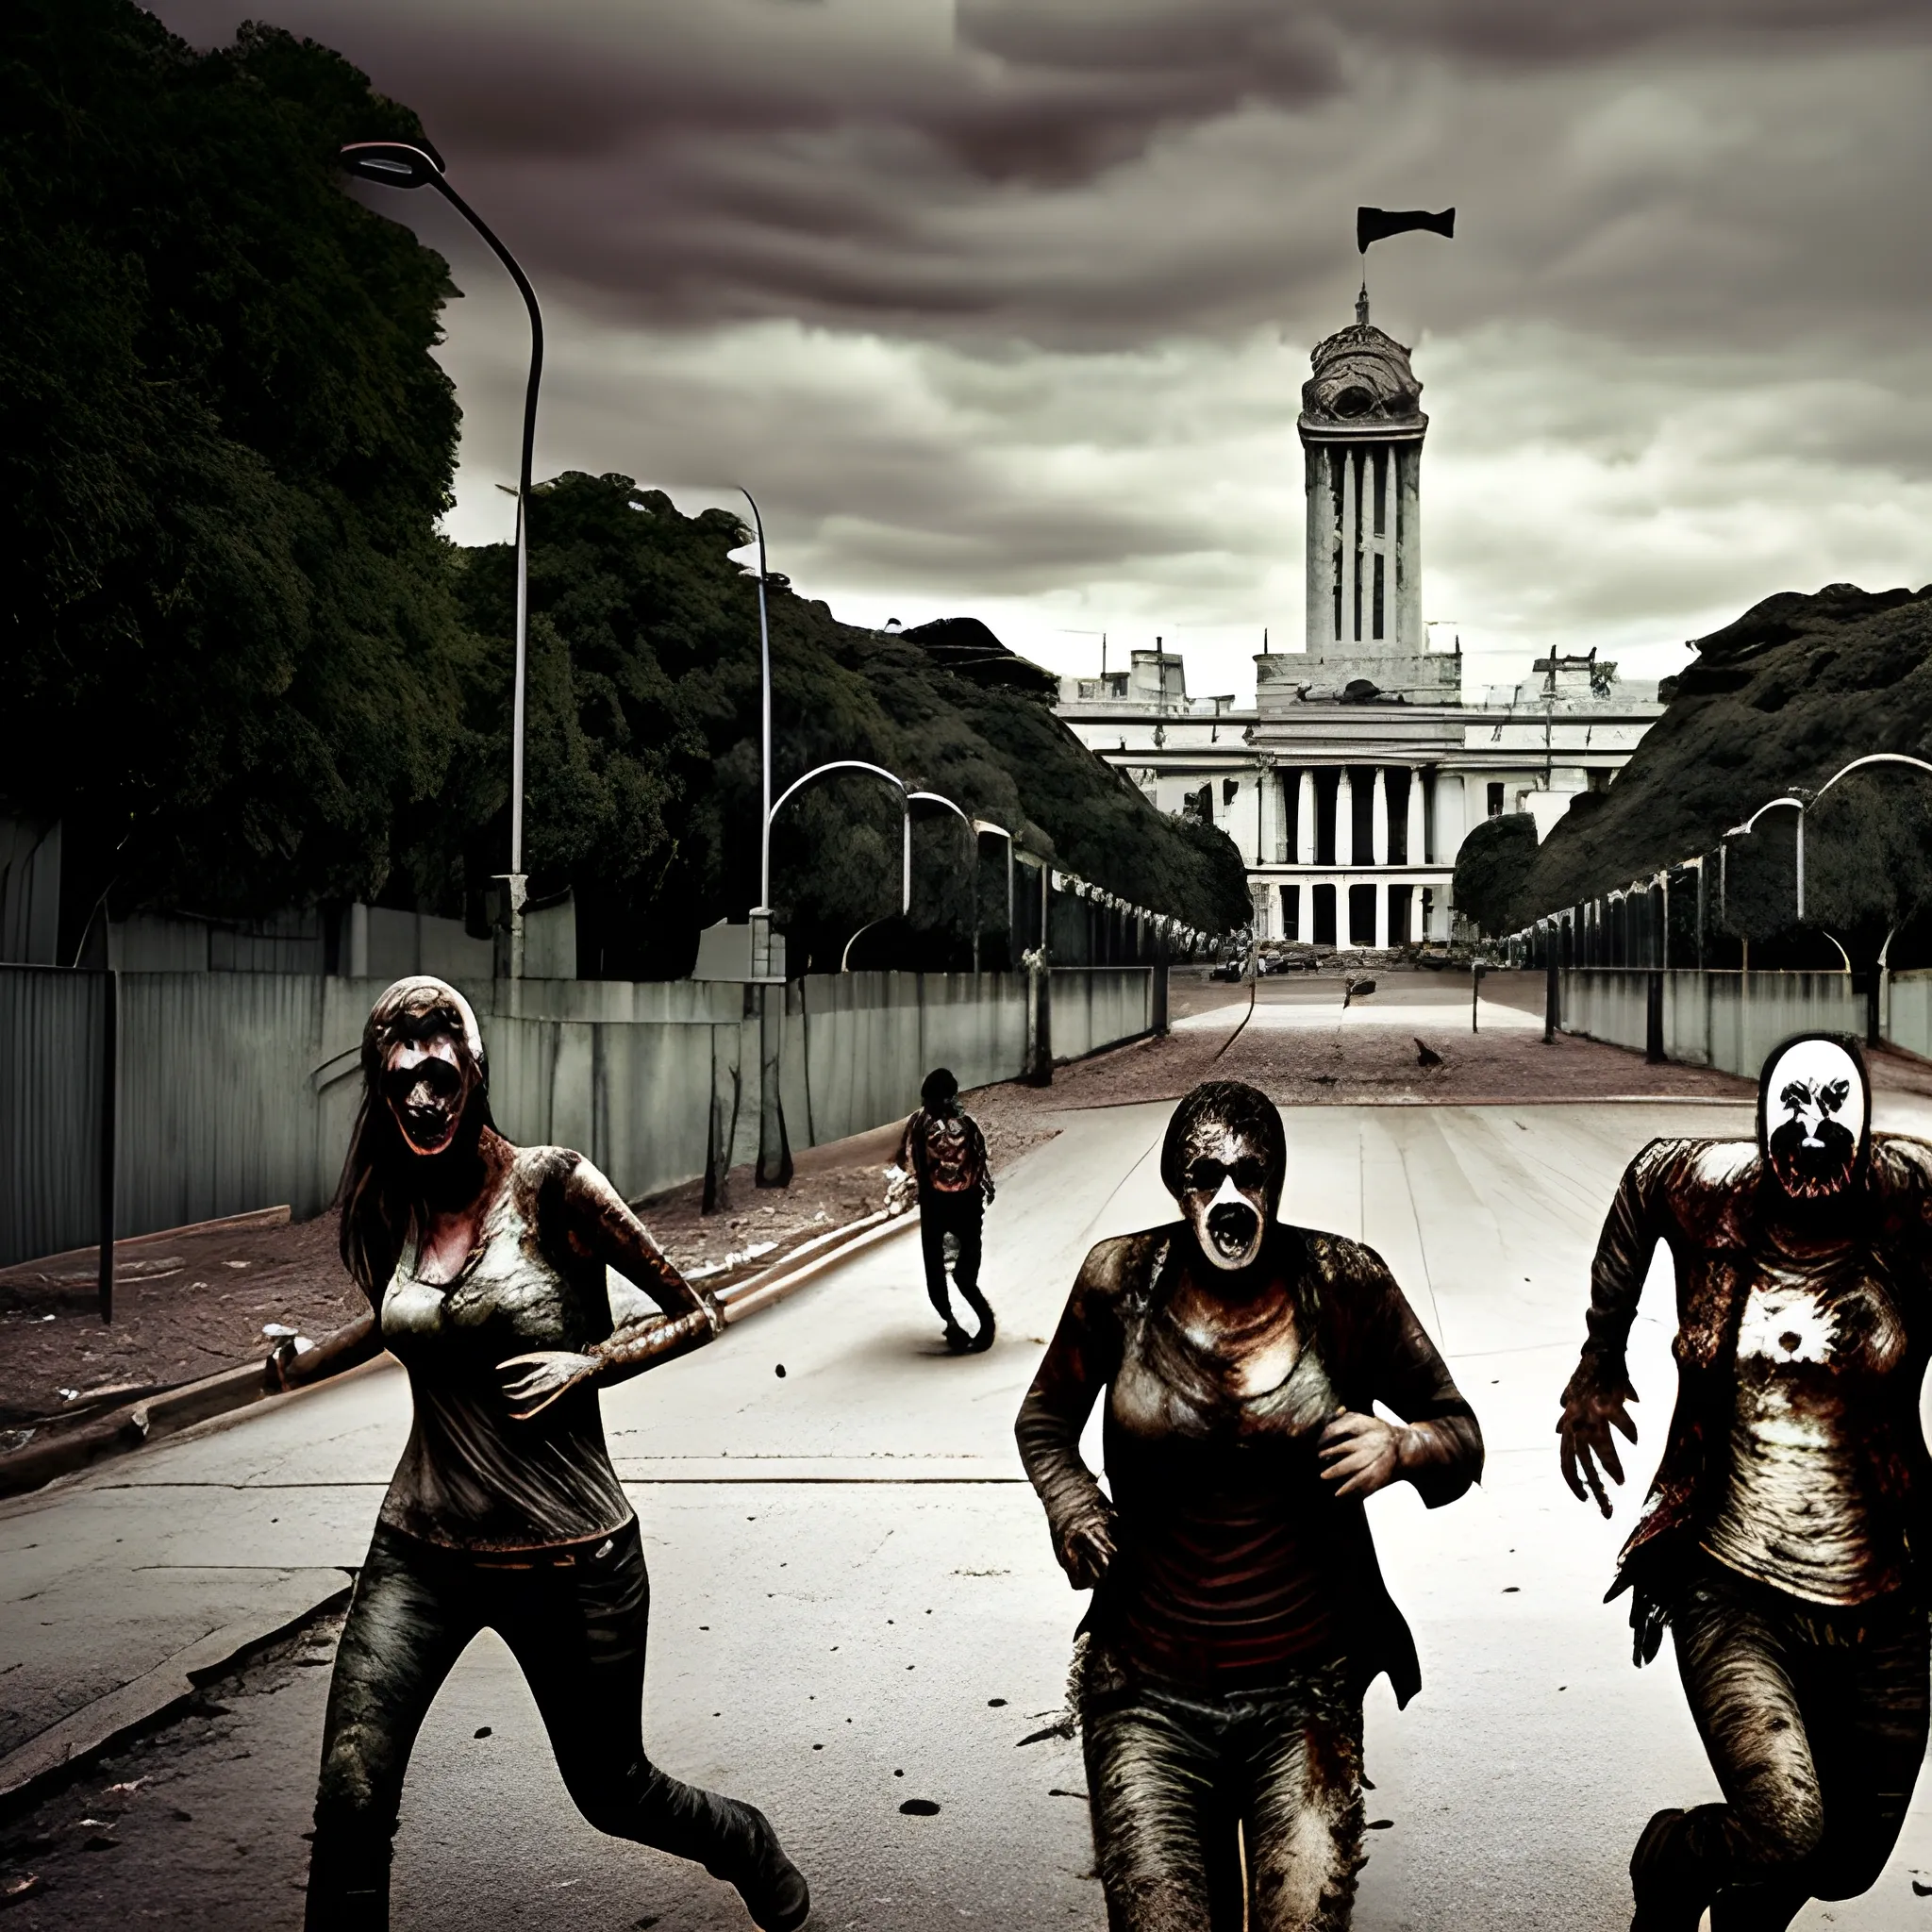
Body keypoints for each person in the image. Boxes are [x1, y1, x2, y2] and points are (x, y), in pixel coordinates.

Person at [305, 976, 809, 1931]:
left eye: (439, 1072)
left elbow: (697, 1310)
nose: (421, 1096)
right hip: (417, 1553)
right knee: (350, 1799)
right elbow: (399, 1316)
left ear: (474, 1070)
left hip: (572, 1560)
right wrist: (302, 1363)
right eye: (400, 1076)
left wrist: (590, 1364)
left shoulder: (553, 1184)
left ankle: (743, 1840)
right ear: (379, 1086)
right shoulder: (396, 1201)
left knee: (612, 1787)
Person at [1015, 1078, 1482, 1931]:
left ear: (1275, 1182)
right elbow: (1044, 1420)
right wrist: (1072, 1503)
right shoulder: (1119, 1280)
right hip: (1144, 1693)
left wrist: (1403, 1448)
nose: (1229, 1195)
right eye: (1205, 1175)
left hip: (1303, 1693)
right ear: (1176, 1187)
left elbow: (1461, 1436)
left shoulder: (1343, 1281)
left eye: (1250, 1173)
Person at [1557, 1033, 1932, 1932]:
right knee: (1788, 1824)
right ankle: (1671, 1862)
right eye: (1790, 1111)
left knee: (1843, 1864)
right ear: (1762, 1119)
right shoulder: (1711, 1185)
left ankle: (1748, 1910)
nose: (1810, 1133)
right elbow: (1643, 1179)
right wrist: (1598, 1359)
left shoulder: (1915, 1199)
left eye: (1832, 1112)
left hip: (1883, 1597)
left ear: (1868, 1128)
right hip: (1728, 1585)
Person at [895, 1066, 995, 1353]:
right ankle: (966, 1321)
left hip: (949, 1204)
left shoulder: (934, 1124)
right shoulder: (952, 1124)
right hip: (955, 1203)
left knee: (949, 1270)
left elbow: (916, 1163)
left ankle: (962, 1321)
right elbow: (979, 1162)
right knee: (951, 1267)